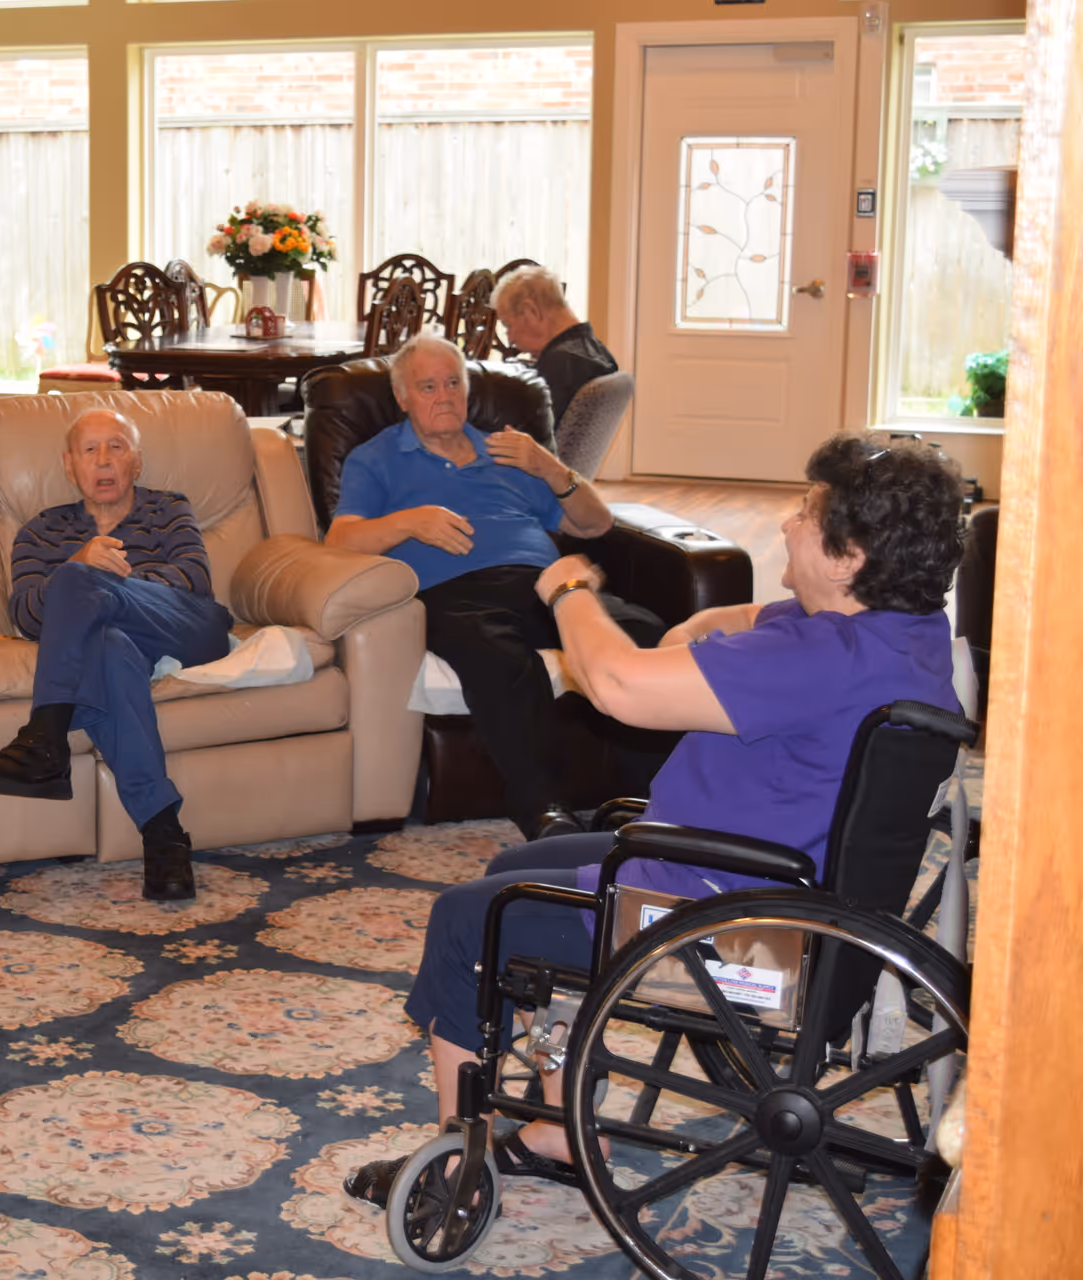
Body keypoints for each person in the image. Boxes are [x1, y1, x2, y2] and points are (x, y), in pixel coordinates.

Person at [344, 432, 964, 1205]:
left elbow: (617, 685)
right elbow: (755, 620)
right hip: (773, 896)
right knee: (514, 869)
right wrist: (713, 627)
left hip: (730, 936)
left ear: (850, 557)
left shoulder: (816, 664)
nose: (787, 524)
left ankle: (454, 1168)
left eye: (808, 514)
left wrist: (570, 590)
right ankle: (557, 1128)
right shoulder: (903, 637)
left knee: (472, 919)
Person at [325, 333, 662, 840]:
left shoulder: (510, 451)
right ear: (402, 397)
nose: (444, 396)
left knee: (645, 632)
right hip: (455, 593)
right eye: (428, 386)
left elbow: (596, 524)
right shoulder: (375, 459)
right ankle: (543, 809)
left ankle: (656, 801)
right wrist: (410, 522)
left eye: (453, 383)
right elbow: (339, 540)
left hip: (544, 584)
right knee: (497, 656)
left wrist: (550, 467)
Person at [0, 408, 232, 901]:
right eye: (90, 450)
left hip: (185, 628)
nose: (104, 459)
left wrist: (103, 585)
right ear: (69, 465)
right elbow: (25, 614)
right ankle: (164, 836)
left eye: (117, 447)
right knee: (108, 646)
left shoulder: (169, 508)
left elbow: (194, 579)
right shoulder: (40, 531)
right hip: (118, 645)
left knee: (79, 580)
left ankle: (45, 738)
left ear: (137, 462)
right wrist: (79, 569)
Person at [492, 264, 618, 425]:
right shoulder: (598, 352)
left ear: (531, 311)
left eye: (508, 325)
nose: (510, 339)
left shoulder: (560, 364)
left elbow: (520, 432)